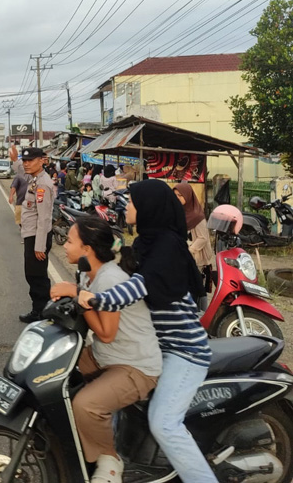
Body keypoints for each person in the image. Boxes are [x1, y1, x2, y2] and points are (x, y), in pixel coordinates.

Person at [79, 180, 215, 483]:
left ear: (149, 208)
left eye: (132, 202)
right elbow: (114, 267)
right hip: (155, 348)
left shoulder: (168, 246)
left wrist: (97, 299)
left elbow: (139, 286)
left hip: (184, 352)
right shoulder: (145, 243)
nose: (126, 206)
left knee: (164, 423)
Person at [50, 217, 161, 483]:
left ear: (87, 249)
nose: (64, 245)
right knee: (55, 378)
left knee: (85, 404)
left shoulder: (109, 279)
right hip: (105, 357)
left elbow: (107, 334)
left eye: (69, 241)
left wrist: (77, 295)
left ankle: (110, 462)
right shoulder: (91, 274)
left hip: (134, 365)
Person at [18, 147, 56, 323]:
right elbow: (20, 170)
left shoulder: (42, 184)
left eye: (30, 160)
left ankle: (42, 313)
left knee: (36, 276)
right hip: (31, 235)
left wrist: (39, 245)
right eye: (24, 160)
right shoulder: (35, 178)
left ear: (42, 160)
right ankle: (39, 309)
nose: (26, 164)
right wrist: (14, 160)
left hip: (37, 237)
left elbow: (44, 218)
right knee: (32, 275)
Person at [175, 182, 214, 298]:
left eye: (180, 195)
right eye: (175, 195)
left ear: (187, 196)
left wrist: (189, 250)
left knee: (196, 288)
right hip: (185, 256)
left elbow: (203, 238)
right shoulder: (179, 212)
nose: (177, 198)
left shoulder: (197, 216)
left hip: (197, 258)